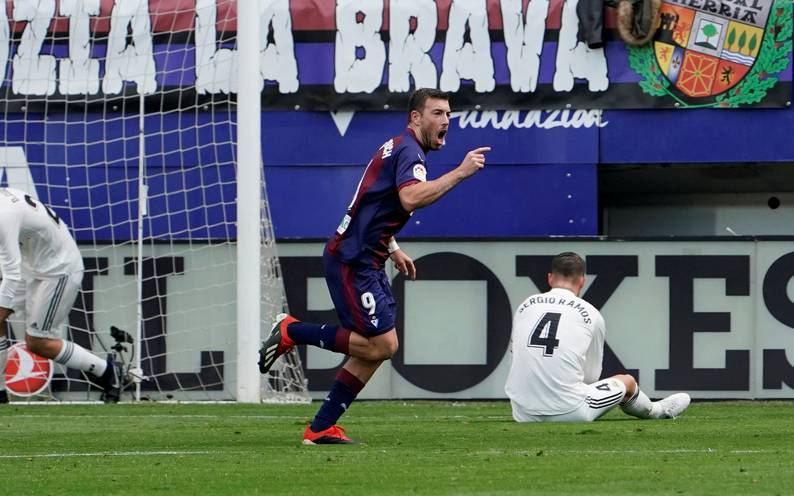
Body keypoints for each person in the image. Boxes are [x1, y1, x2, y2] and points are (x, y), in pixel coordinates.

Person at [258, 88, 490, 444]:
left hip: (367, 257)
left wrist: (392, 246)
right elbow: (410, 196)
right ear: (416, 117)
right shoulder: (410, 150)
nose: (446, 121)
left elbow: (372, 201)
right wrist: (460, 172)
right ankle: (293, 330)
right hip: (353, 260)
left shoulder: (396, 145)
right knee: (382, 345)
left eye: (448, 114)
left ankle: (320, 428)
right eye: (438, 113)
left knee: (376, 346)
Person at [0, 166, 120, 404]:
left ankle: (107, 371)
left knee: (37, 342)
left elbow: (11, 275)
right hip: (32, 267)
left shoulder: (0, 217)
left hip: (58, 270)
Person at [504, 251, 690, 422]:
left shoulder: (526, 305)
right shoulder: (591, 314)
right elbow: (591, 377)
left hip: (522, 412)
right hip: (570, 411)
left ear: (550, 278)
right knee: (627, 381)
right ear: (582, 281)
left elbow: (516, 355)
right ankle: (657, 411)